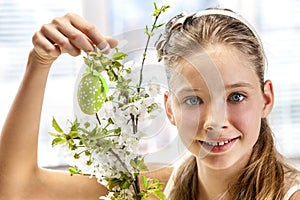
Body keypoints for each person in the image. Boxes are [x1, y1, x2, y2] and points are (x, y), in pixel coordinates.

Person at [0, 7, 299, 200]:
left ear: (266, 99)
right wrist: (38, 62)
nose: (214, 121)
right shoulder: (158, 189)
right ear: (170, 109)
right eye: (193, 99)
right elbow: (19, 187)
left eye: (236, 96)